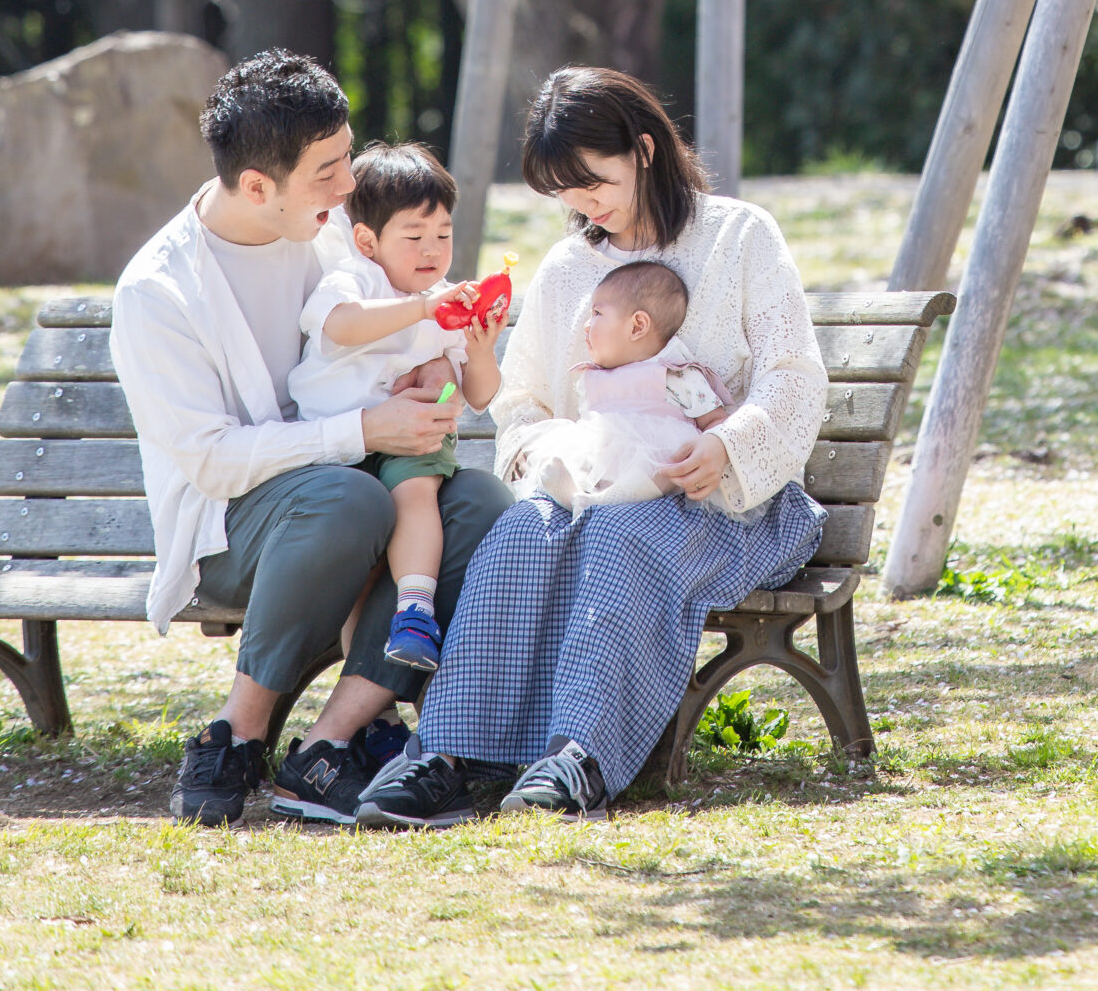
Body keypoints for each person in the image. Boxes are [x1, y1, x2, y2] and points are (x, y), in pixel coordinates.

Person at [355, 66, 827, 828]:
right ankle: (445, 752)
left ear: (643, 149)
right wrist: (557, 457)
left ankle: (580, 755)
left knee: (618, 538)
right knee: (517, 535)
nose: (583, 205)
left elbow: (793, 376)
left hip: (721, 499)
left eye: (593, 181)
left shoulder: (738, 236)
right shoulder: (570, 266)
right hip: (591, 488)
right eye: (564, 191)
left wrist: (730, 450)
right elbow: (521, 399)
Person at [109, 49, 514, 828]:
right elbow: (210, 459)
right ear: (258, 187)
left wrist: (422, 383)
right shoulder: (161, 291)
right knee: (347, 497)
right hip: (236, 535)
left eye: (347, 157)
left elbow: (397, 339)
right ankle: (239, 730)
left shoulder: (336, 237)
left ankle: (334, 743)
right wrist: (360, 428)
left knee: (480, 504)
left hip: (357, 490)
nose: (349, 184)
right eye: (328, 169)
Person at [290, 143, 507, 672]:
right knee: (357, 578)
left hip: (409, 441)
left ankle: (415, 609)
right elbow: (340, 326)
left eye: (443, 235)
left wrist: (473, 357)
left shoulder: (446, 299)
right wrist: (422, 309)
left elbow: (478, 396)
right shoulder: (354, 280)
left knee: (417, 491)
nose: (431, 250)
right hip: (338, 445)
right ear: (367, 240)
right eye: (414, 236)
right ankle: (376, 711)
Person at [524, 259, 731, 515]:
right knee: (576, 456)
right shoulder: (592, 379)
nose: (587, 325)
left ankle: (608, 500)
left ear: (637, 326)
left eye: (597, 313)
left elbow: (716, 419)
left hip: (659, 459)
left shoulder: (674, 374)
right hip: (606, 457)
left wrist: (713, 443)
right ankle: (575, 492)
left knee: (660, 464)